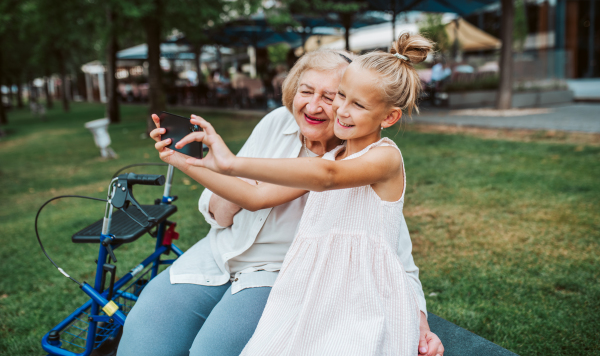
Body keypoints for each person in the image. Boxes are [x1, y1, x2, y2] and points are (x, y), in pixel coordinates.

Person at [117, 48, 444, 356]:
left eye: (332, 96)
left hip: (308, 282)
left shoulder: (365, 162)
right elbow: (255, 197)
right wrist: (189, 162)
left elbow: (336, 186)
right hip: (235, 259)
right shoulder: (315, 146)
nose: (329, 107)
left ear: (387, 116)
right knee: (144, 337)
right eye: (336, 96)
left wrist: (418, 317)